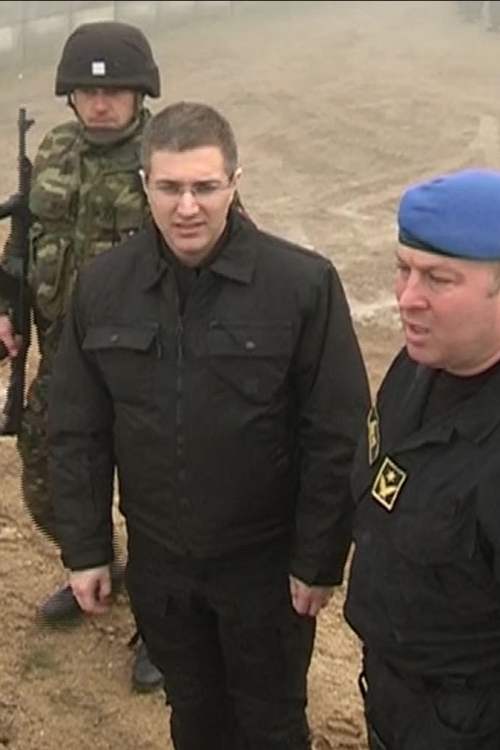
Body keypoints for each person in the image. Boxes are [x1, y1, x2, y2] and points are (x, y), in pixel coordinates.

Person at [46, 100, 371, 750]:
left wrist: (317, 561)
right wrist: (86, 549)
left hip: (266, 574)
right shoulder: (103, 287)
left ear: (234, 183)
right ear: (145, 185)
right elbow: (78, 429)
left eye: (205, 186)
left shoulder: (301, 286)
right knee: (193, 715)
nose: (187, 207)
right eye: (170, 187)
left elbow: (336, 433)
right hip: (162, 569)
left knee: (271, 723)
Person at [0, 20, 163, 692]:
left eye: (115, 91)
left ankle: (160, 622)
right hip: (65, 362)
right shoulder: (56, 147)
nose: (100, 103)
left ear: (140, 93)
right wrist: (8, 306)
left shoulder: (169, 157)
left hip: (147, 372)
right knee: (46, 479)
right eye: (88, 93)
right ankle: (96, 564)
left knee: (157, 503)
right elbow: (25, 234)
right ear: (70, 96)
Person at [344, 167, 500, 750]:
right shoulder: (416, 368)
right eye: (403, 269)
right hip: (395, 695)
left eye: (438, 278)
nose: (407, 298)